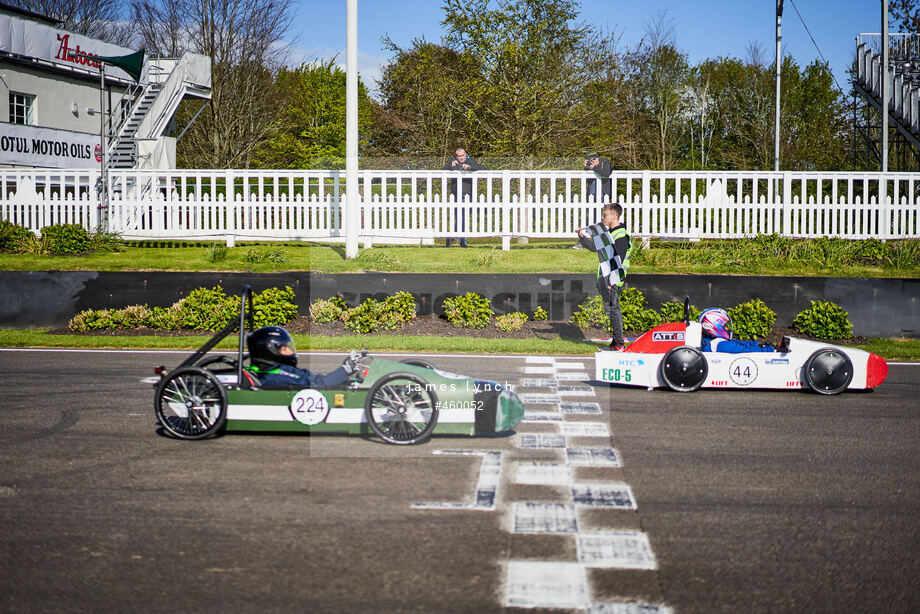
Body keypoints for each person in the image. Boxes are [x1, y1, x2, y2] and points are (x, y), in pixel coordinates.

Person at [577, 203, 631, 351]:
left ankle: (619, 343)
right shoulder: (611, 234)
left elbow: (617, 259)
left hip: (612, 279)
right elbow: (595, 247)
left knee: (613, 310)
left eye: (605, 214)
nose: (602, 217)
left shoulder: (620, 236)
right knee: (613, 309)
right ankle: (616, 342)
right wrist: (582, 236)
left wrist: (609, 281)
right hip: (609, 279)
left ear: (614, 216)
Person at [245, 326, 357, 388]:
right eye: (284, 349)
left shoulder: (277, 370)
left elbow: (316, 379)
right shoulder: (277, 376)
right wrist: (344, 370)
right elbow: (317, 386)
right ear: (269, 352)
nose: (290, 351)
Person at [442, 147, 485, 247]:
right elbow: (442, 171)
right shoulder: (452, 163)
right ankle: (460, 240)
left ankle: (453, 237)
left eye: (462, 156)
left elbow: (482, 168)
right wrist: (450, 166)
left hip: (468, 195)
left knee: (464, 218)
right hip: (456, 195)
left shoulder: (470, 162)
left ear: (465, 155)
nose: (461, 158)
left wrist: (469, 168)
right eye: (459, 156)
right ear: (456, 156)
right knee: (458, 218)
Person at [698, 308, 775, 353]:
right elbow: (745, 350)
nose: (727, 328)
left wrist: (756, 344)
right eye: (725, 326)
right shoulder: (720, 345)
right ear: (713, 326)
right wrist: (771, 350)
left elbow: (736, 343)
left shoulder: (709, 342)